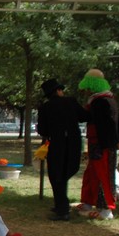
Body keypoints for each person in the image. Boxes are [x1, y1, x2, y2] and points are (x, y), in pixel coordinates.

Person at [37, 78, 89, 221]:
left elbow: (43, 130)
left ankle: (62, 209)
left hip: (57, 144)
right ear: (58, 91)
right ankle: (61, 205)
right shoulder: (71, 102)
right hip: (74, 143)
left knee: (56, 176)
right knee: (65, 173)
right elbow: (84, 116)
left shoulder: (45, 107)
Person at [77, 69, 119, 220]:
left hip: (102, 145)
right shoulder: (106, 100)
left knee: (103, 175)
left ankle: (106, 208)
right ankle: (89, 202)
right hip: (98, 144)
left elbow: (109, 125)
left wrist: (115, 141)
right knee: (93, 173)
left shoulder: (101, 102)